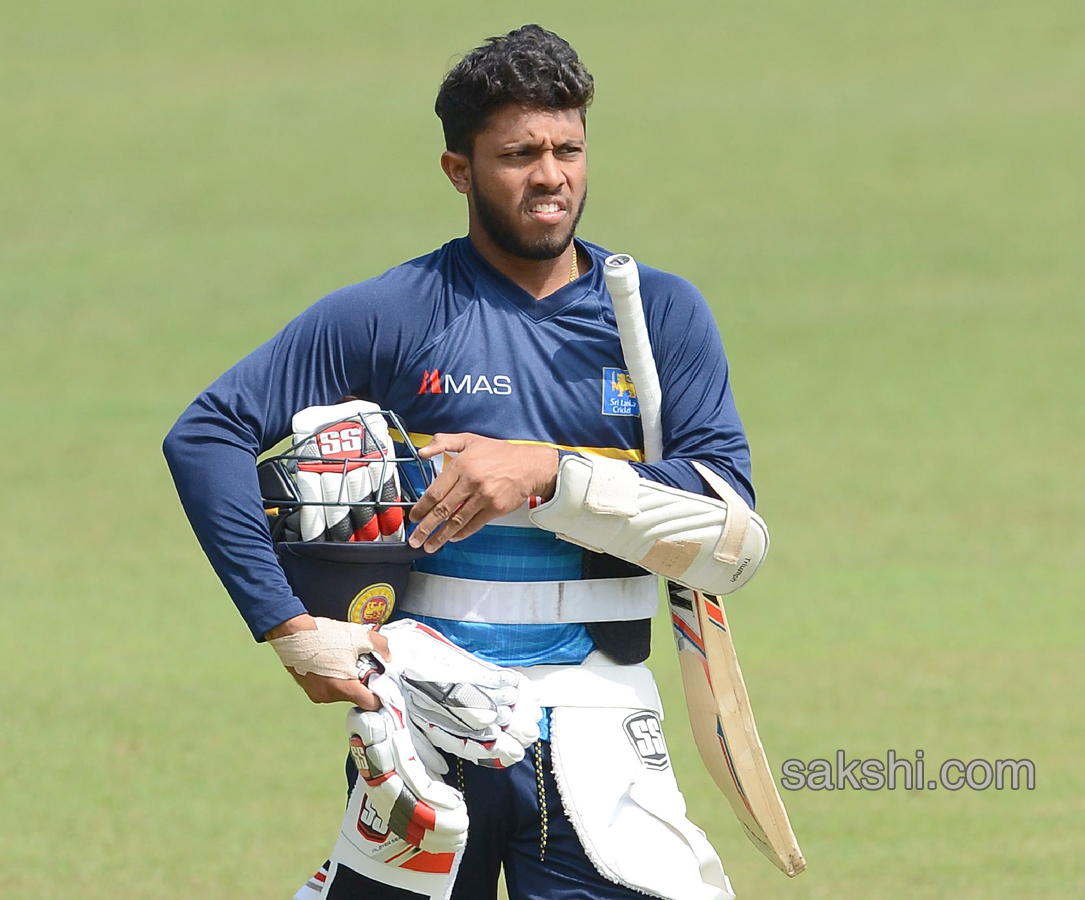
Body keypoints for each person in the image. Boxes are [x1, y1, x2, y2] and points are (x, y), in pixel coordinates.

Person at [164, 24, 763, 900]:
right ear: (460, 170)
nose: (551, 175)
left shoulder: (657, 315)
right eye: (520, 153)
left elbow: (731, 534)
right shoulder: (397, 313)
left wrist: (552, 475)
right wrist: (291, 631)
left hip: (601, 726)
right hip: (425, 725)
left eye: (568, 148)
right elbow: (207, 432)